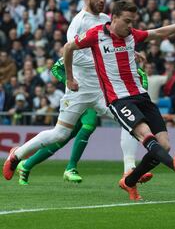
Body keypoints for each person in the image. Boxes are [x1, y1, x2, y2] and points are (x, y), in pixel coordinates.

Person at [2, 0, 149, 186]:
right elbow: (70, 51)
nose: (102, 0)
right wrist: (70, 78)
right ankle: (17, 155)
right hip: (78, 88)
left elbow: (114, 42)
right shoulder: (79, 22)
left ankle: (129, 172)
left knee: (130, 122)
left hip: (102, 90)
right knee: (59, 133)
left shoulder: (107, 19)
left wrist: (132, 52)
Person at [60, 0, 175, 200]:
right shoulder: (95, 35)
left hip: (141, 96)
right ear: (114, 18)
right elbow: (68, 48)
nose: (131, 26)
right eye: (127, 21)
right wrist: (70, 78)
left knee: (164, 145)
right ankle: (171, 165)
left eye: (133, 22)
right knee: (146, 136)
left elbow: (160, 32)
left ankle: (129, 181)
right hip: (119, 100)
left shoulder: (131, 36)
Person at [15, 57, 150, 185]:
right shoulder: (79, 49)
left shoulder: (107, 54)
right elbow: (56, 68)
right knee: (88, 125)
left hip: (96, 99)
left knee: (62, 139)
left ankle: (26, 165)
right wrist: (69, 82)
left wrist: (140, 83)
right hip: (78, 97)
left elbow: (136, 81)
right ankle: (70, 168)